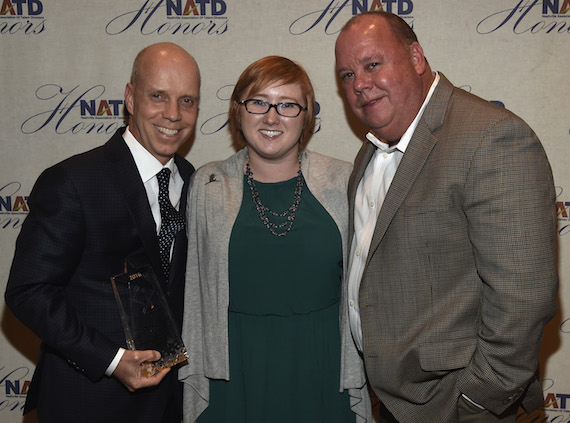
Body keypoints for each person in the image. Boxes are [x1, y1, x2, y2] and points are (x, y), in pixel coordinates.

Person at [334, 11, 558, 423]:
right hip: (395, 403)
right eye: (346, 75)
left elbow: (524, 299)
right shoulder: (371, 151)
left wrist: (477, 401)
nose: (360, 84)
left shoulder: (491, 138)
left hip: (462, 407)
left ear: (416, 57)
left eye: (372, 65)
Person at [4, 42, 199, 422]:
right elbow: (27, 291)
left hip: (169, 405)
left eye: (187, 101)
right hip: (89, 401)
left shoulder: (195, 182)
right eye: (157, 96)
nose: (173, 114)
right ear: (130, 97)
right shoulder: (74, 181)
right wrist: (111, 361)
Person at [178, 56, 372, 423]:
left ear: (305, 116)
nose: (271, 117)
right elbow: (193, 294)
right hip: (233, 374)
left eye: (287, 105)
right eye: (258, 102)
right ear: (239, 110)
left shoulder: (344, 181)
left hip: (324, 371)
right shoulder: (207, 185)